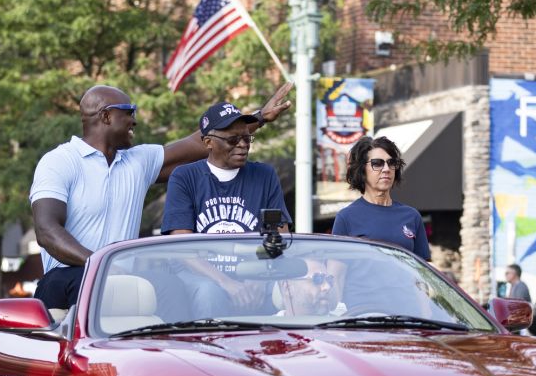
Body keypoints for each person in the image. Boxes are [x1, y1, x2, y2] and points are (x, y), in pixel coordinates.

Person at [29, 82, 293, 310]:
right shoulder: (59, 161)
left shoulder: (137, 161)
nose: (135, 120)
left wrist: (258, 118)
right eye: (129, 112)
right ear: (106, 116)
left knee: (172, 289)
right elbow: (47, 231)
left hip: (124, 280)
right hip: (70, 276)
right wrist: (102, 264)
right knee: (111, 292)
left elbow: (202, 142)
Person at [162, 101, 293, 316]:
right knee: (210, 293)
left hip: (255, 272)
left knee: (290, 290)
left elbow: (279, 236)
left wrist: (256, 279)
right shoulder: (185, 177)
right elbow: (181, 246)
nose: (242, 144)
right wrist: (227, 283)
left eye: (246, 137)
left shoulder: (265, 175)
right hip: (202, 275)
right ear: (208, 143)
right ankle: (209, 349)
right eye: (233, 139)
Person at [331, 136, 430, 258]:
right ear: (361, 170)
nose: (386, 169)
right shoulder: (346, 218)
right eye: (377, 163)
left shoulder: (411, 216)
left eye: (391, 163)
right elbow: (337, 273)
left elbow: (423, 270)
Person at [276, 258, 342, 316]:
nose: (327, 287)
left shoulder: (343, 327)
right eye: (318, 279)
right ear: (288, 288)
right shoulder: (268, 328)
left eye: (329, 280)